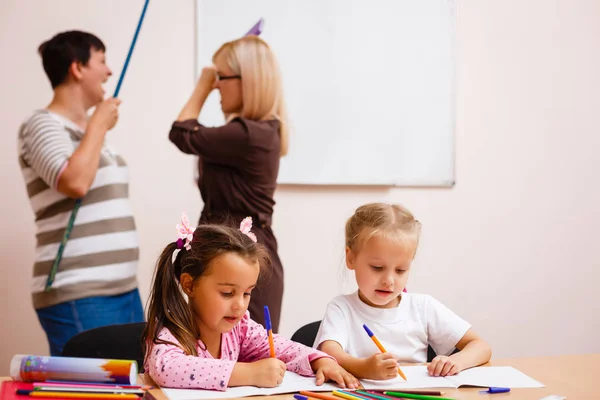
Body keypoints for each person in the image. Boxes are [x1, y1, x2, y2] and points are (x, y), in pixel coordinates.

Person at [17, 31, 144, 356]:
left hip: (124, 289)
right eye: (101, 61)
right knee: (89, 391)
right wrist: (98, 125)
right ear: (77, 68)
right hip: (80, 293)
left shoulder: (85, 131)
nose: (109, 72)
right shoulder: (42, 124)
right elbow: (74, 182)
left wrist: (94, 128)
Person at [142, 214, 358, 390]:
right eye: (227, 293)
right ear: (189, 285)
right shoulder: (169, 332)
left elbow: (284, 348)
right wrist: (250, 373)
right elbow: (167, 368)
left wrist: (320, 361)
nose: (240, 306)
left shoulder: (240, 329)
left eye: (247, 293)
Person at [168, 35, 287, 332]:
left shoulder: (248, 134)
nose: (217, 84)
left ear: (247, 79)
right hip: (228, 251)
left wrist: (202, 85)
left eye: (222, 77)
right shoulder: (253, 132)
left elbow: (181, 132)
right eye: (215, 78)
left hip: (242, 255)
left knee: (248, 353)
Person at [314, 203, 492, 379]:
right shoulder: (341, 308)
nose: (389, 281)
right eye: (377, 267)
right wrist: (364, 368)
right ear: (351, 258)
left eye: (401, 270)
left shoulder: (422, 307)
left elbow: (481, 346)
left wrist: (457, 361)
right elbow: (329, 353)